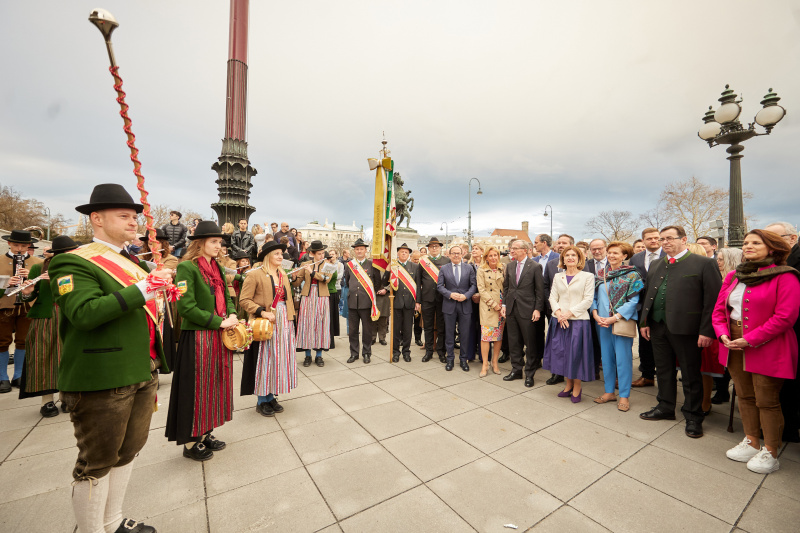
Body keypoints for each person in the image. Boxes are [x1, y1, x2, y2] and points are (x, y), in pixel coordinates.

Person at [49, 183, 171, 533]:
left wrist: (159, 292)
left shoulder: (130, 260)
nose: (134, 222)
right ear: (96, 218)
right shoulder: (72, 261)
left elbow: (140, 311)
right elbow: (84, 313)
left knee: (128, 451)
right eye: (124, 216)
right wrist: (145, 289)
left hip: (141, 368)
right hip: (102, 375)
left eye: (135, 216)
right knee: (97, 462)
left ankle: (113, 521)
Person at [713, 229, 800, 473]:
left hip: (768, 345)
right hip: (732, 343)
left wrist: (750, 339)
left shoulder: (786, 276)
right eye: (747, 242)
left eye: (756, 242)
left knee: (767, 400)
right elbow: (719, 310)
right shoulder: (733, 276)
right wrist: (722, 333)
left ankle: (771, 451)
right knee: (744, 394)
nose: (748, 246)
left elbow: (786, 316)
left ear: (772, 248)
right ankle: (751, 441)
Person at [639, 225, 722, 439]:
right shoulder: (657, 264)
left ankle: (694, 416)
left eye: (670, 238)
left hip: (687, 329)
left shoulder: (703, 264)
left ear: (684, 239)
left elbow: (712, 301)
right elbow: (649, 294)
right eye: (662, 239)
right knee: (663, 370)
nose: (665, 242)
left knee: (690, 374)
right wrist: (645, 321)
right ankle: (665, 407)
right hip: (658, 326)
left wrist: (707, 331)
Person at [166, 221, 238, 461]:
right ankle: (189, 442)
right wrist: (219, 322)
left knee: (214, 386)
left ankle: (205, 432)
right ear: (200, 243)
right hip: (197, 338)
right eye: (214, 242)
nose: (219, 246)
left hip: (217, 335)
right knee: (195, 389)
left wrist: (232, 313)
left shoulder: (216, 266)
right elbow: (185, 307)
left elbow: (226, 295)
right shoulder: (187, 267)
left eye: (220, 242)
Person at [16, 236, 79, 416]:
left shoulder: (75, 268)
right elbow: (29, 296)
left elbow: (72, 293)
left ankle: (66, 397)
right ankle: (47, 402)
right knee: (43, 359)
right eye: (66, 253)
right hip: (45, 318)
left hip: (69, 316)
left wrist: (58, 280)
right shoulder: (38, 267)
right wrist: (27, 292)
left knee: (67, 358)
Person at [240, 240, 302, 417]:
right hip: (265, 323)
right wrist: (261, 311)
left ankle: (271, 395)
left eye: (281, 254)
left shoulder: (282, 273)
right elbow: (244, 300)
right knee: (265, 359)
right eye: (276, 254)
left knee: (278, 358)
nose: (280, 256)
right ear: (268, 256)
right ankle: (261, 399)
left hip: (284, 322)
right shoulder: (254, 274)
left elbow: (287, 299)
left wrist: (291, 320)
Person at [591, 242, 643, 410]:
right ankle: (609, 392)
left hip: (621, 322)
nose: (612, 255)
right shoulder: (601, 274)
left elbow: (634, 300)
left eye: (616, 253)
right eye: (610, 252)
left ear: (624, 256)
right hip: (602, 323)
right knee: (606, 359)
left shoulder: (632, 275)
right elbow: (594, 298)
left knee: (623, 360)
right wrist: (595, 313)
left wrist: (615, 317)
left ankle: (624, 396)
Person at [544, 246, 595, 403]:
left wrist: (569, 313)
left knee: (576, 355)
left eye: (574, 255)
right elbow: (552, 297)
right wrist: (559, 314)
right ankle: (568, 385)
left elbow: (588, 299)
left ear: (579, 258)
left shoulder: (588, 276)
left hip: (578, 321)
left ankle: (577, 387)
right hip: (559, 321)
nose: (570, 257)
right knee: (563, 354)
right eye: (567, 255)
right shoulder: (558, 276)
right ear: (563, 259)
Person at [764, 222, 800, 443]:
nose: (770, 244)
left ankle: (788, 427)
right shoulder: (776, 260)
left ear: (792, 238)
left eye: (774, 238)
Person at [1, 229, 44, 393]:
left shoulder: (37, 263)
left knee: (24, 340)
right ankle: (2, 377)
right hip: (5, 306)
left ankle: (19, 374)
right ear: (9, 243)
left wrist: (32, 279)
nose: (19, 249)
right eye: (16, 245)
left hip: (28, 306)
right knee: (2, 341)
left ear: (29, 246)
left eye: (23, 246)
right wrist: (6, 284)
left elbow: (44, 287)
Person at [501, 239, 544, 387]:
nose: (511, 251)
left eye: (515, 248)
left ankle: (530, 374)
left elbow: (540, 291)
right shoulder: (510, 266)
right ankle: (516, 370)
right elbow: (507, 287)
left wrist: (537, 309)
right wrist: (504, 305)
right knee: (514, 342)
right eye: (511, 248)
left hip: (528, 310)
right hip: (512, 309)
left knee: (530, 343)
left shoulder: (535, 267)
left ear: (525, 250)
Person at [629, 227, 665, 388]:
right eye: (649, 238)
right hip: (642, 306)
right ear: (643, 240)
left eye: (656, 238)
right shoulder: (636, 258)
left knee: (662, 343)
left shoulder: (668, 255)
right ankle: (647, 375)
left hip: (662, 307)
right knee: (644, 343)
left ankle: (665, 376)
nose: (653, 240)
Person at [710, 247, 743, 407]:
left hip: (733, 327)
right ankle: (722, 391)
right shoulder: (717, 277)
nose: (718, 262)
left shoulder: (737, 280)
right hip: (718, 326)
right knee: (719, 362)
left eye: (721, 259)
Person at [437, 246, 477, 371]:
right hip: (449, 305)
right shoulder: (444, 268)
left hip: (465, 305)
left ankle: (463, 360)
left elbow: (473, 285)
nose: (456, 255)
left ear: (462, 254)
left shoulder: (469, 268)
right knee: (449, 334)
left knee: (464, 334)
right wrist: (449, 294)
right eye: (453, 253)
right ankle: (450, 359)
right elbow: (439, 286)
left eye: (458, 253)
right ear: (449, 255)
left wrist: (466, 296)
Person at [343, 238, 382, 364]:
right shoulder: (349, 265)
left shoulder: (372, 265)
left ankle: (366, 353)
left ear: (366, 250)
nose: (359, 251)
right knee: (353, 331)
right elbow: (347, 281)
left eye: (361, 249)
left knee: (367, 330)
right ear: (354, 251)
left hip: (367, 303)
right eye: (357, 249)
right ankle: (354, 354)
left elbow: (377, 283)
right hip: (353, 303)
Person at [542, 234, 574, 385]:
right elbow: (546, 286)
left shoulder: (582, 264)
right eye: (559, 242)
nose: (561, 245)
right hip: (555, 312)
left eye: (565, 243)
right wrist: (555, 307)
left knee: (572, 344)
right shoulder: (551, 264)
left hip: (575, 313)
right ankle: (557, 372)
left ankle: (573, 372)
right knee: (556, 343)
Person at [296, 241, 333, 367]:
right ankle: (307, 355)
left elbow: (326, 279)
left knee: (320, 324)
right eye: (319, 254)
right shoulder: (305, 264)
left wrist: (312, 273)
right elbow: (297, 282)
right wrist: (294, 276)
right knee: (306, 324)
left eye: (323, 253)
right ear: (312, 253)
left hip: (322, 297)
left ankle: (319, 356)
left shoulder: (328, 265)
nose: (322, 256)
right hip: (307, 296)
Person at [418, 237, 450, 362]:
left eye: (437, 246)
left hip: (443, 299)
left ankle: (441, 352)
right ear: (428, 249)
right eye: (432, 247)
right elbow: (418, 281)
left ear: (440, 248)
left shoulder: (447, 261)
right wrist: (418, 301)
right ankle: (429, 351)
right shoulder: (423, 262)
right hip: (427, 299)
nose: (434, 248)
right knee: (428, 326)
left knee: (442, 326)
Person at [388, 243, 420, 362]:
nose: (404, 254)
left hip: (409, 303)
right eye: (401, 252)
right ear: (397, 253)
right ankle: (395, 352)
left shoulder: (415, 267)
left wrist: (418, 301)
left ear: (409, 254)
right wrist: (388, 268)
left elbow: (417, 286)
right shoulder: (394, 266)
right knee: (396, 330)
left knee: (407, 330)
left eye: (406, 252)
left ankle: (406, 352)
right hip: (396, 302)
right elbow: (385, 280)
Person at [476, 246, 505, 376]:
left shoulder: (503, 268)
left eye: (496, 255)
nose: (493, 258)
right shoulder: (481, 270)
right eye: (491, 255)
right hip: (488, 306)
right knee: (486, 337)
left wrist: (502, 305)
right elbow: (481, 290)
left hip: (501, 307)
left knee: (498, 336)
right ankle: (485, 364)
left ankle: (495, 362)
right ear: (486, 257)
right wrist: (494, 305)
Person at [464, 244, 484, 362]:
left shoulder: (487, 265)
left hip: (484, 301)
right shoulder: (468, 265)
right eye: (473, 249)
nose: (474, 251)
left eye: (477, 249)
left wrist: (481, 295)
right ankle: (470, 354)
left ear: (482, 251)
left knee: (483, 328)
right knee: (470, 327)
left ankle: (484, 356)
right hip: (470, 300)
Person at [326, 250, 342, 350]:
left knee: (330, 318)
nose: (329, 259)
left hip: (332, 293)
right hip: (327, 293)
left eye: (330, 257)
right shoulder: (328, 267)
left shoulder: (333, 268)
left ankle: (330, 341)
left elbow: (332, 279)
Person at [411, 250, 424, 346]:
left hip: (418, 297)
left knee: (417, 319)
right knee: (405, 321)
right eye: (414, 259)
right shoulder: (407, 267)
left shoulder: (422, 267)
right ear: (411, 258)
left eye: (417, 259)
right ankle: (403, 338)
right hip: (408, 297)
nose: (416, 261)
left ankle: (418, 338)